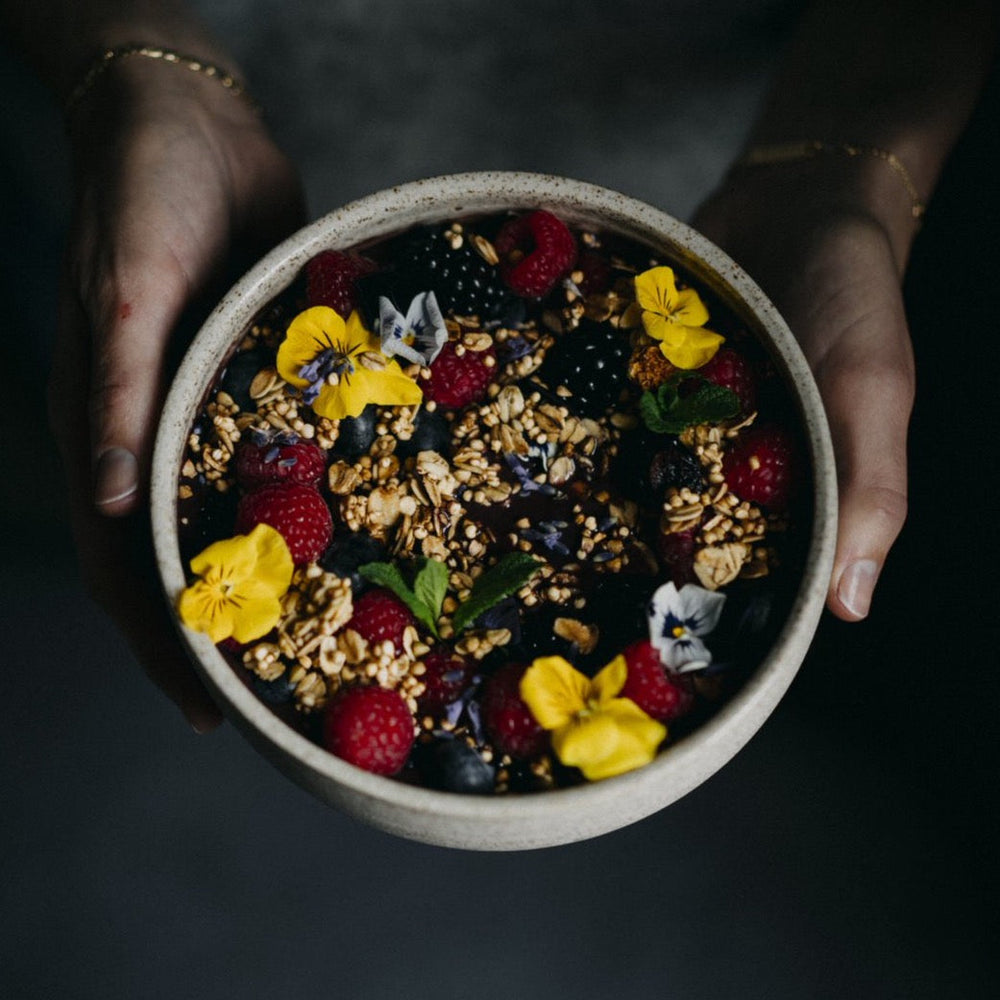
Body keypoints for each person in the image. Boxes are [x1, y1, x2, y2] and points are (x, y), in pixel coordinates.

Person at [1, 0, 996, 739]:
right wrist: (121, 56)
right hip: (165, 186)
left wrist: (847, 164)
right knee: (88, 422)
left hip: (698, 193)